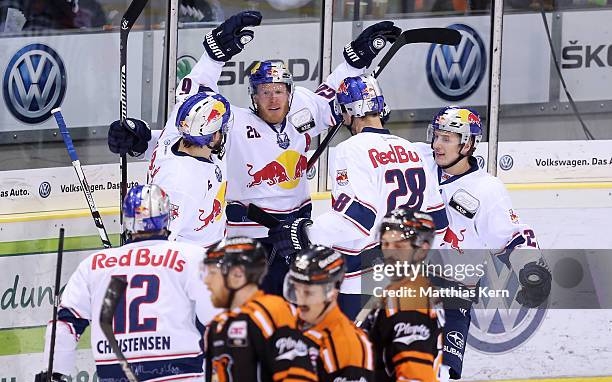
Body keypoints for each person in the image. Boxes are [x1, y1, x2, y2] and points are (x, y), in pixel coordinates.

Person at [107, 11, 402, 296]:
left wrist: (358, 59)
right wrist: (142, 141)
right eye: (264, 92)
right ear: (253, 96)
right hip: (249, 236)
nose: (273, 99)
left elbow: (336, 97)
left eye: (278, 91)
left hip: (298, 231)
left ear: (290, 91)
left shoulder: (304, 107)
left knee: (299, 308)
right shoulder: (233, 123)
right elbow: (193, 132)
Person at [27, 184, 218, 382]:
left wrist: (52, 380)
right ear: (167, 217)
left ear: (127, 220)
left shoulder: (94, 265)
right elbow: (217, 321)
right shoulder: (192, 256)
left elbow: (64, 327)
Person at [267, 75, 449, 319]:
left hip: (364, 282)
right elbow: (439, 220)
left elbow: (357, 218)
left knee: (354, 355)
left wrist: (305, 234)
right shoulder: (412, 151)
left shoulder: (350, 149)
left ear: (348, 111)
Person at [412, 106, 552, 382]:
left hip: (452, 297)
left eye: (447, 138)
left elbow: (513, 237)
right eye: (436, 136)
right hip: (407, 290)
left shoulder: (487, 189)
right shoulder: (420, 161)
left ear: (468, 143)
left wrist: (533, 270)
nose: (437, 144)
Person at [202, 237, 322, 382]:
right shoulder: (217, 326)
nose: (206, 281)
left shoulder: (273, 312)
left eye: (212, 273)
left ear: (237, 275)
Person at [366, 209, 445, 382]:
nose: (389, 253)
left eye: (399, 246)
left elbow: (415, 374)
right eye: (385, 244)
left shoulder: (409, 296)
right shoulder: (407, 289)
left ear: (421, 251)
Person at [284, 245, 374, 382]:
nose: (300, 300)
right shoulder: (286, 325)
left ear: (331, 293)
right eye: (296, 289)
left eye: (309, 292)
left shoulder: (350, 344)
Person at [146, 92, 231, 248]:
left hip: (215, 247)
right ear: (212, 137)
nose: (224, 132)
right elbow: (158, 246)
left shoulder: (173, 133)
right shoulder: (180, 184)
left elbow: (196, 83)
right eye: (222, 129)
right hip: (192, 261)